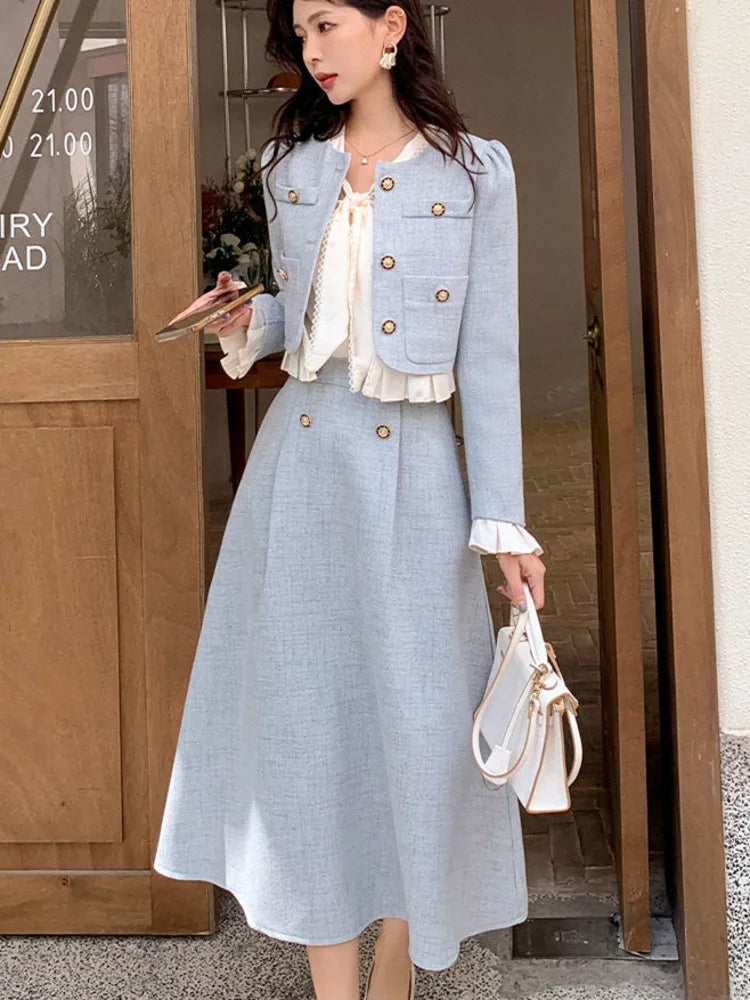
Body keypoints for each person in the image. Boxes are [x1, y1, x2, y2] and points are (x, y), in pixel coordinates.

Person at [153, 2, 547, 998]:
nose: (314, 51)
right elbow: (309, 314)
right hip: (304, 469)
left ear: (390, 27)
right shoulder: (289, 169)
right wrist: (248, 316)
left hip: (421, 480)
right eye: (303, 33)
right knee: (307, 719)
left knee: (421, 725)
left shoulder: (474, 174)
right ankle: (336, 983)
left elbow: (488, 355)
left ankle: (398, 977)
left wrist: (504, 525)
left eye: (329, 24)